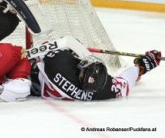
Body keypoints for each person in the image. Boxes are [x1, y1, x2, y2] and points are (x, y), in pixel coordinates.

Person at [28, 36, 162, 101]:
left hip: (31, 76)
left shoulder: (58, 63)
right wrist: (143, 67)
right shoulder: (102, 90)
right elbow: (125, 83)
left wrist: (72, 47)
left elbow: (46, 45)